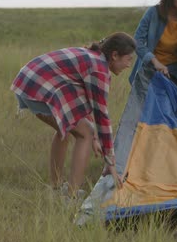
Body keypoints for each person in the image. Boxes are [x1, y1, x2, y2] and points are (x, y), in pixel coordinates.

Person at [10, 32, 136, 199]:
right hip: (34, 86)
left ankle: (55, 188)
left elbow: (86, 104)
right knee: (86, 132)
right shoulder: (99, 69)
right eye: (128, 59)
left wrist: (97, 141)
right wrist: (110, 161)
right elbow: (101, 115)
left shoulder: (94, 57)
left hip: (27, 81)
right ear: (114, 55)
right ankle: (71, 196)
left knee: (70, 129)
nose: (129, 65)